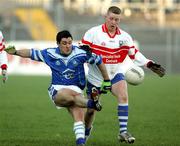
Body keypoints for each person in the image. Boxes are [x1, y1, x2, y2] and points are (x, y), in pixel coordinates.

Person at [5, 30, 111, 146]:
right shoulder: (50, 53)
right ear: (58, 44)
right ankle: (91, 103)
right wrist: (15, 52)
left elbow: (99, 60)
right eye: (64, 43)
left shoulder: (81, 53)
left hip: (76, 90)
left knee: (78, 114)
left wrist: (106, 80)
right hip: (58, 89)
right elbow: (31, 53)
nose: (68, 46)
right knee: (70, 97)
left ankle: (81, 142)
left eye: (70, 43)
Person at [82, 6, 165, 144]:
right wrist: (86, 53)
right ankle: (85, 133)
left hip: (115, 74)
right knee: (91, 111)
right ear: (106, 17)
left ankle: (123, 132)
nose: (113, 22)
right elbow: (82, 50)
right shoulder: (93, 33)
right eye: (111, 18)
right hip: (96, 78)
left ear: (119, 20)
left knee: (123, 95)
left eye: (117, 19)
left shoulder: (125, 37)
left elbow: (134, 54)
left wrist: (149, 64)